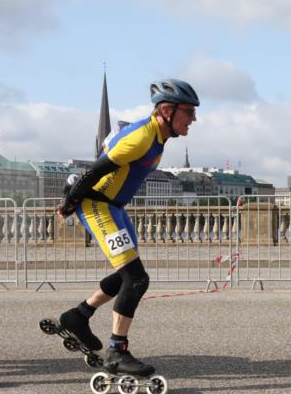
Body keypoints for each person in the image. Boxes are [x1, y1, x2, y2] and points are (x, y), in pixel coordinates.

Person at [56, 79, 199, 378]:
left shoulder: (158, 136)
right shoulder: (141, 138)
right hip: (98, 205)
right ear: (166, 110)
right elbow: (96, 170)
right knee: (136, 280)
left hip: (115, 207)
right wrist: (69, 202)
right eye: (189, 111)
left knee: (127, 276)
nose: (194, 119)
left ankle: (78, 316)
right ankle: (116, 352)